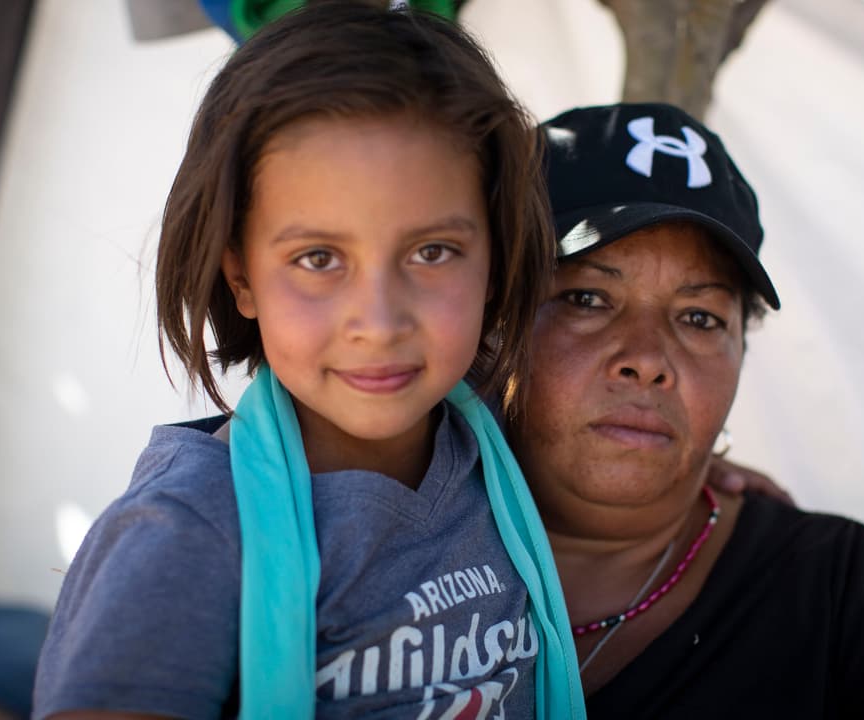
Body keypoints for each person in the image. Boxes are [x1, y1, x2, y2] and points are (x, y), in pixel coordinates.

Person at [33, 4, 584, 718]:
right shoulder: (188, 537)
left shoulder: (495, 443)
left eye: (433, 252)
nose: (379, 324)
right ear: (240, 277)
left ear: (495, 256)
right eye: (319, 259)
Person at [512, 101, 864, 717]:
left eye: (699, 317)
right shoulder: (385, 544)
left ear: (741, 352)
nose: (648, 359)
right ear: (492, 323)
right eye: (588, 298)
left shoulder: (854, 594)